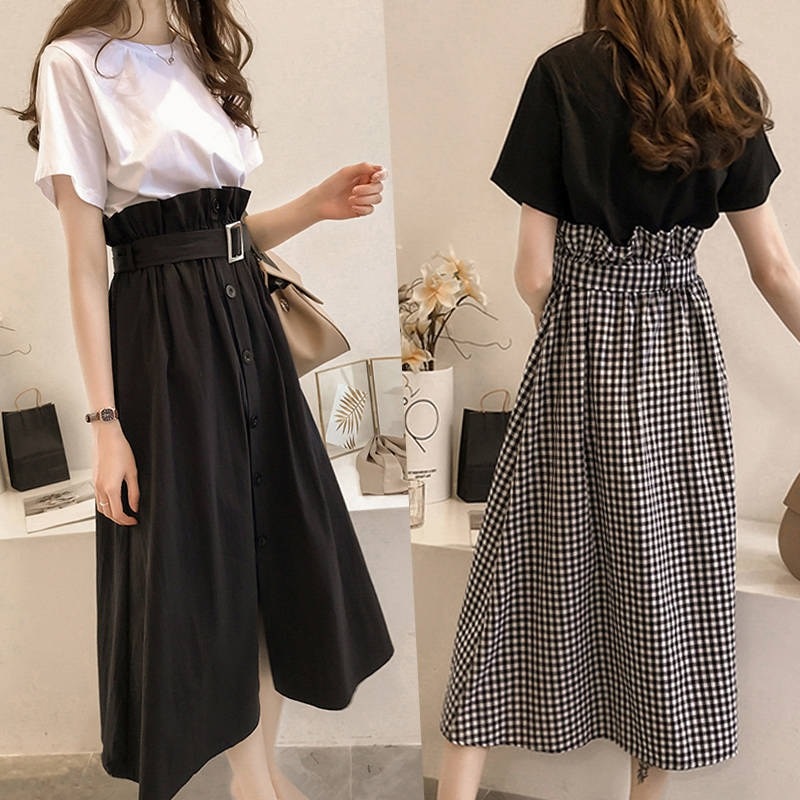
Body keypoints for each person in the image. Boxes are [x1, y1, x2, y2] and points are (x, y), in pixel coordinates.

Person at [8, 1, 395, 799]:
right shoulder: (74, 64)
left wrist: (313, 206)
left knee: (274, 555)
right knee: (206, 565)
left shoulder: (197, 54)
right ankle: (253, 784)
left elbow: (223, 233)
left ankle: (262, 773)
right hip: (165, 342)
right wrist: (105, 424)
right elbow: (86, 263)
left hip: (246, 323)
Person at [436, 2, 800, 800]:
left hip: (578, 345)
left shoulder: (563, 72)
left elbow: (534, 271)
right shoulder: (725, 83)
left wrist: (573, 333)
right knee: (669, 570)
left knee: (517, 568)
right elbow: (773, 266)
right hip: (679, 355)